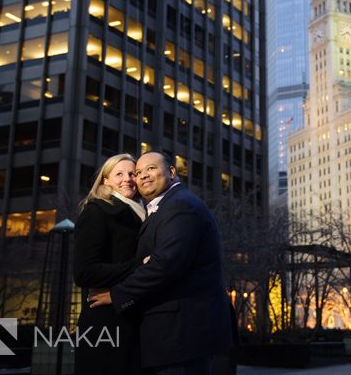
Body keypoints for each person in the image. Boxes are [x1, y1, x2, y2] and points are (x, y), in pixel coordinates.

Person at [90, 151, 233, 375]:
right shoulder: (165, 207)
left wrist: (118, 295)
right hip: (173, 337)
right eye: (139, 172)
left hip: (181, 335)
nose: (143, 176)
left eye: (152, 168)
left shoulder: (180, 206)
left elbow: (166, 265)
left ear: (172, 172)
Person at [73, 154, 147, 375]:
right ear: (105, 181)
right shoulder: (96, 212)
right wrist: (138, 266)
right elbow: (84, 272)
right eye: (119, 174)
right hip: (104, 323)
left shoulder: (143, 213)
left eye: (133, 174)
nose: (128, 179)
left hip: (131, 320)